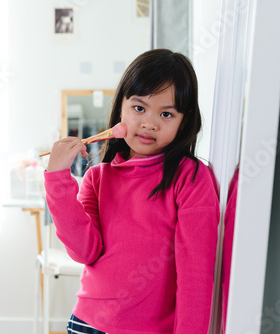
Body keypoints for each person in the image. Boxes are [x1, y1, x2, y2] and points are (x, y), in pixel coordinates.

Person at [44, 49, 220, 334]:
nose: (150, 123)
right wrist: (57, 180)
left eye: (166, 114)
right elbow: (84, 251)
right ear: (121, 109)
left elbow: (196, 279)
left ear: (184, 121)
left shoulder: (191, 178)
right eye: (139, 108)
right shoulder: (97, 178)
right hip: (86, 324)